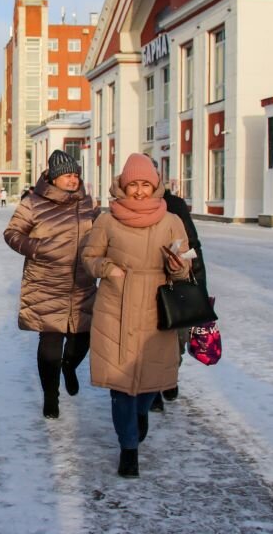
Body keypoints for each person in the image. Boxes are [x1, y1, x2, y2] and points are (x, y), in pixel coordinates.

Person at [80, 153, 192, 478]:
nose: (139, 191)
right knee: (120, 383)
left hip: (157, 307)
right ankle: (128, 449)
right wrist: (107, 269)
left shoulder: (171, 220)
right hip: (116, 305)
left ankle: (141, 413)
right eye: (133, 185)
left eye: (145, 184)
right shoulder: (107, 220)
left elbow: (185, 264)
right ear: (123, 185)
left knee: (149, 381)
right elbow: (89, 257)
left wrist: (178, 267)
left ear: (155, 185)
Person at [3, 150, 97, 420]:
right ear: (54, 178)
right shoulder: (33, 203)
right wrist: (38, 248)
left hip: (82, 284)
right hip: (46, 283)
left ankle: (69, 368)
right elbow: (11, 233)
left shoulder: (88, 203)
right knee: (50, 345)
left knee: (82, 339)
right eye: (68, 175)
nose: (73, 180)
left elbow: (102, 232)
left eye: (76, 175)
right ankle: (50, 396)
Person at [149, 157, 208, 411]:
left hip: (179, 282)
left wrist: (200, 286)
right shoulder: (123, 210)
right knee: (148, 340)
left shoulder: (174, 204)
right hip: (147, 284)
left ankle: (169, 376)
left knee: (178, 338)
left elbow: (192, 244)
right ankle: (152, 393)